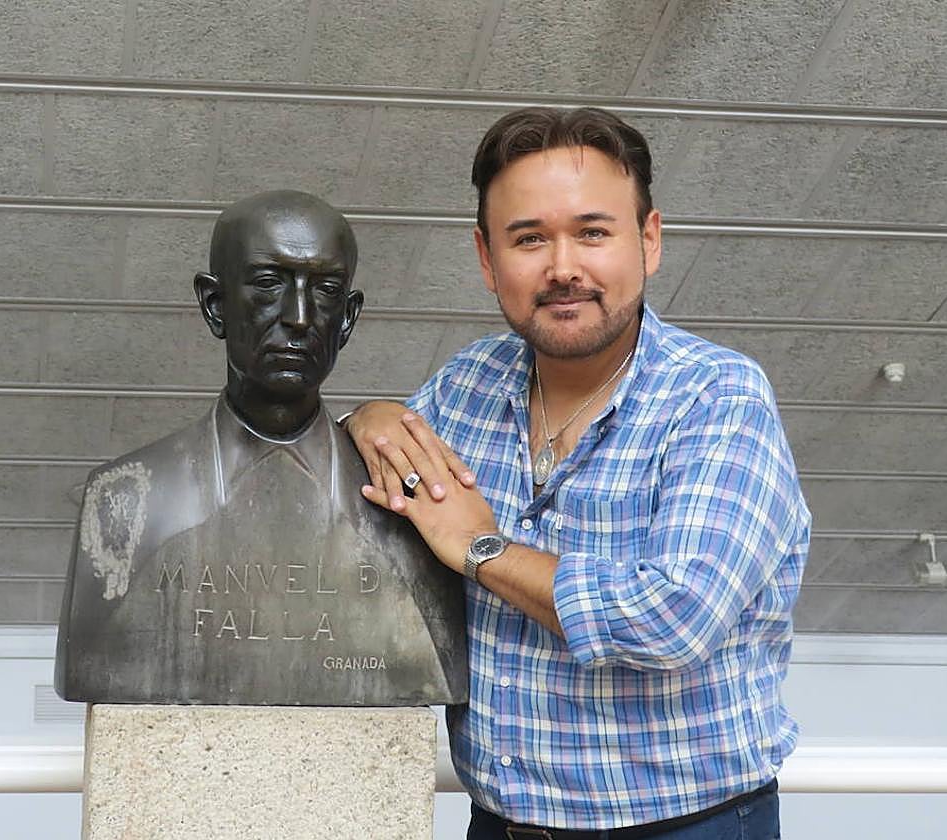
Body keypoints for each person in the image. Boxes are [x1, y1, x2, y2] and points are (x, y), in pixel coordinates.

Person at [346, 108, 809, 838]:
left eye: (593, 232)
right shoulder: (467, 383)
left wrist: (482, 549)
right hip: (499, 824)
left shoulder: (719, 396)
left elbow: (673, 618)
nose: (563, 267)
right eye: (529, 238)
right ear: (487, 257)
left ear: (649, 240)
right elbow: (360, 482)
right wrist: (366, 418)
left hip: (687, 826)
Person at [55, 190, 466, 707]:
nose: (298, 316)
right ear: (215, 305)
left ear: (348, 318)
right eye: (269, 284)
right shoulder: (119, 502)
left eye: (325, 289)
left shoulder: (412, 506)